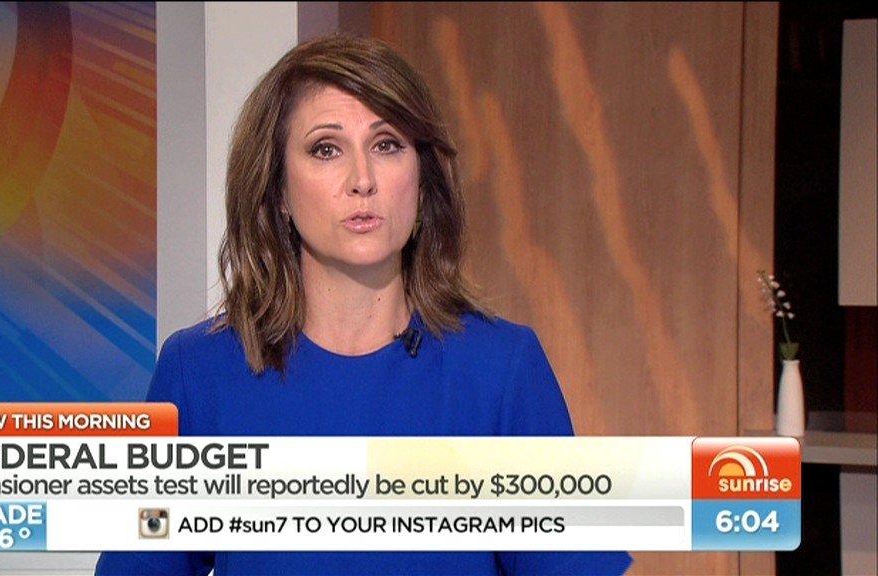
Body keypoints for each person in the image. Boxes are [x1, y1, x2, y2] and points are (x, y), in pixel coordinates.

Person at [96, 33, 632, 575]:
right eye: (326, 149)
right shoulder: (198, 373)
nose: (362, 180)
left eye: (387, 145)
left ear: (422, 182)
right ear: (278, 191)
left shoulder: (502, 370)